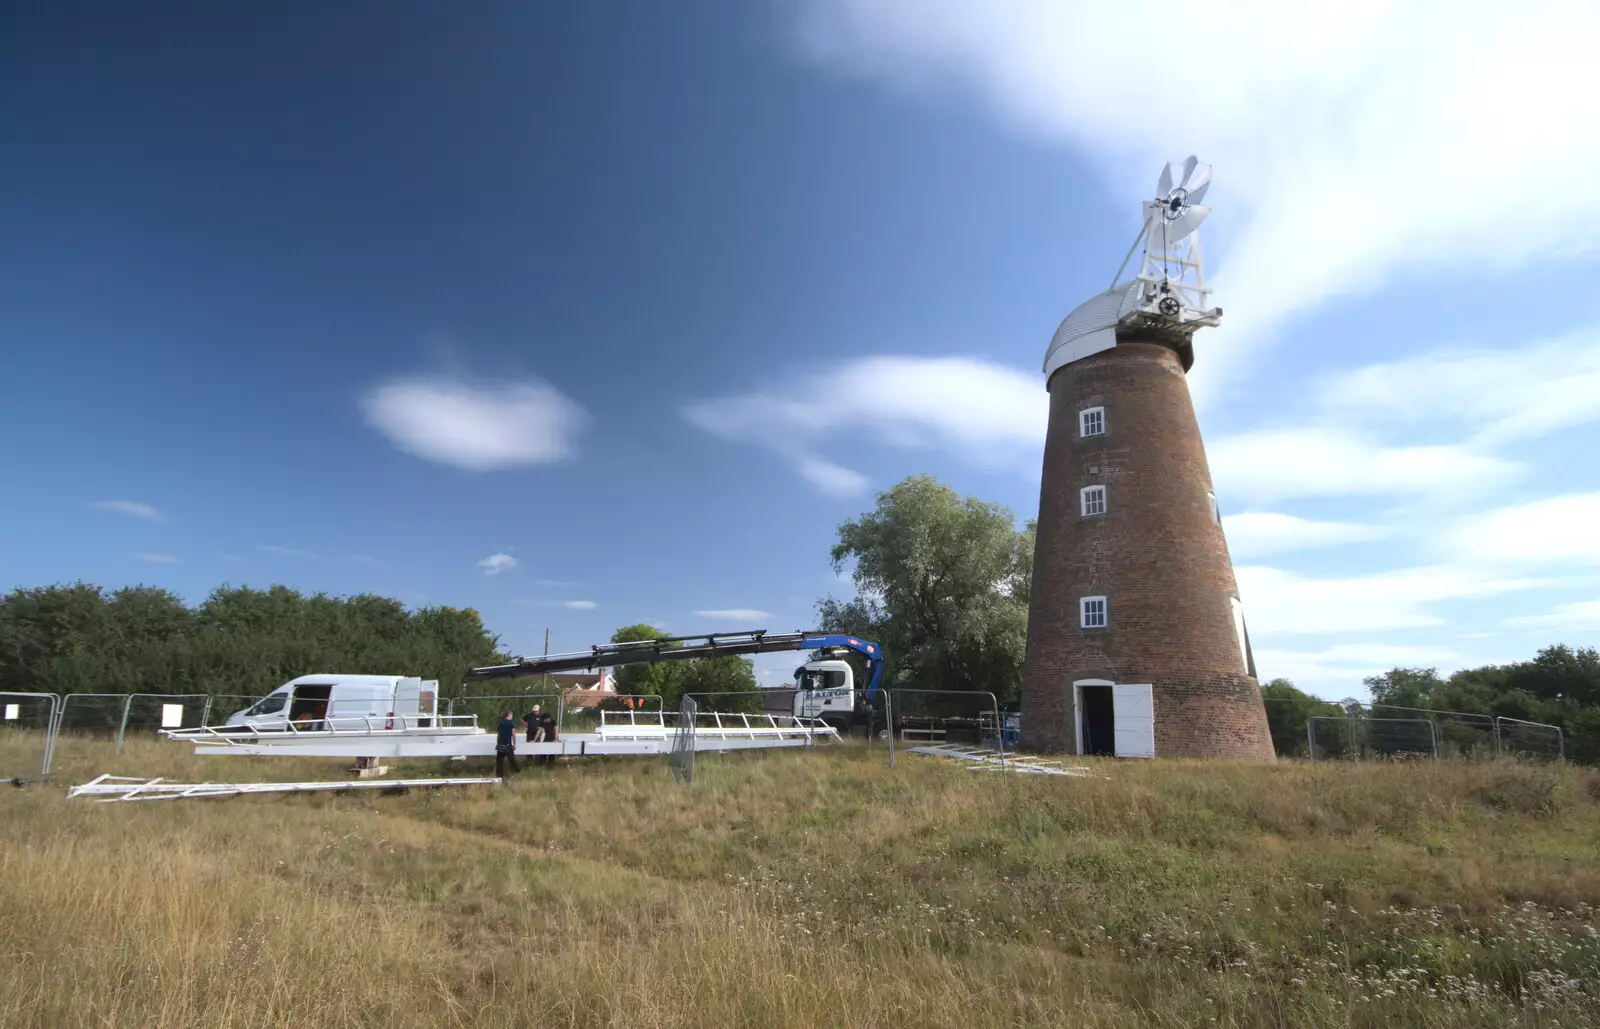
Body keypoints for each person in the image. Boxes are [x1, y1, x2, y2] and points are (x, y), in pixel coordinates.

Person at [495, 711, 520, 777]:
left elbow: (498, 735)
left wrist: (498, 743)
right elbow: (513, 734)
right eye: (512, 715)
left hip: (500, 745)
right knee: (512, 760)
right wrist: (514, 744)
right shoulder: (511, 723)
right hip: (508, 745)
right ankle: (518, 771)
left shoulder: (501, 723)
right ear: (509, 715)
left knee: (499, 762)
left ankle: (499, 775)